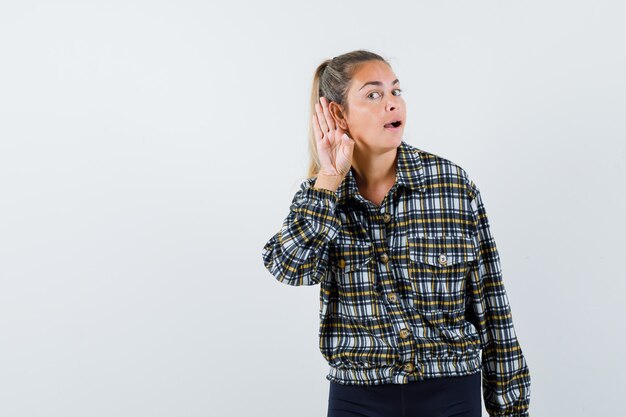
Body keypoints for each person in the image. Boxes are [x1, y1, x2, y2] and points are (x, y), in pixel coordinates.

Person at [261, 50, 531, 417]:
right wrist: (328, 180)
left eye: (396, 92)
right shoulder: (320, 197)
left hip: (451, 393)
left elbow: (491, 303)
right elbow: (290, 269)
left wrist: (510, 408)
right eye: (373, 95)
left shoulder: (450, 185)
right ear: (338, 113)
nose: (392, 104)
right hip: (358, 397)